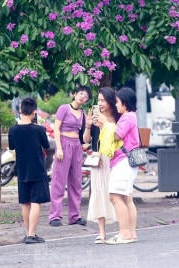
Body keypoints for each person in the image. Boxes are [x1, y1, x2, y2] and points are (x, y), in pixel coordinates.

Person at [8, 96, 51, 245]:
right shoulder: (38, 129)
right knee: (36, 202)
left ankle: (28, 233)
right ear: (34, 111)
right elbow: (46, 145)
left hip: (22, 169)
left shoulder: (13, 130)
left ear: (20, 111)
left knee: (25, 203)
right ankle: (32, 235)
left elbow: (12, 146)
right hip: (37, 169)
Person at [48, 85, 90, 227]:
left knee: (76, 181)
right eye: (81, 94)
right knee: (59, 180)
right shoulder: (64, 108)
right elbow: (56, 128)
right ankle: (55, 216)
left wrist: (89, 127)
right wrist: (59, 148)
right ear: (74, 94)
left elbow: (83, 137)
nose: (82, 97)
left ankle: (74, 216)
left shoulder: (83, 114)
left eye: (86, 96)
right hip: (64, 144)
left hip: (76, 146)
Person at [83, 87, 118, 244]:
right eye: (98, 100)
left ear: (111, 101)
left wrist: (104, 125)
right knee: (98, 194)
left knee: (115, 194)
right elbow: (86, 141)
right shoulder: (97, 118)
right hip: (98, 159)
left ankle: (121, 230)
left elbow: (115, 138)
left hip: (112, 158)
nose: (100, 103)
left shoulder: (117, 119)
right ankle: (102, 233)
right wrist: (89, 126)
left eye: (103, 100)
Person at [105, 86, 140, 245]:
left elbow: (116, 135)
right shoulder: (132, 116)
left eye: (117, 102)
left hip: (123, 161)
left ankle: (124, 233)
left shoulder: (126, 117)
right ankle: (131, 233)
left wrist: (105, 123)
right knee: (126, 198)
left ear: (125, 103)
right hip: (128, 161)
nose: (116, 105)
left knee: (115, 196)